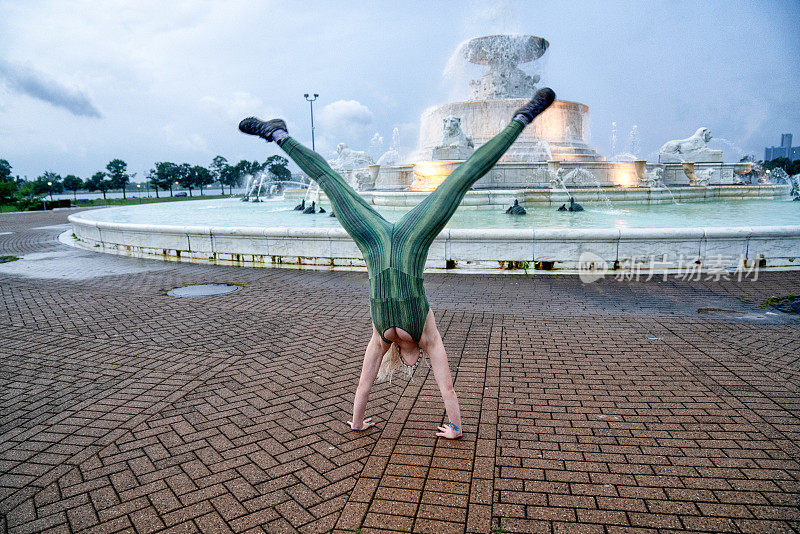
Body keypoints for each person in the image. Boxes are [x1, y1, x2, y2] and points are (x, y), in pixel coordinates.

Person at [239, 87, 555, 439]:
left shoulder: (380, 337)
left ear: (403, 357)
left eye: (412, 365)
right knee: (462, 177)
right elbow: (447, 388)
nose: (415, 363)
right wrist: (456, 427)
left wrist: (357, 422)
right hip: (412, 237)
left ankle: (278, 133)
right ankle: (522, 118)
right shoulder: (428, 335)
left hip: (373, 239)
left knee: (330, 182)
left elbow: (363, 385)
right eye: (418, 363)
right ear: (418, 354)